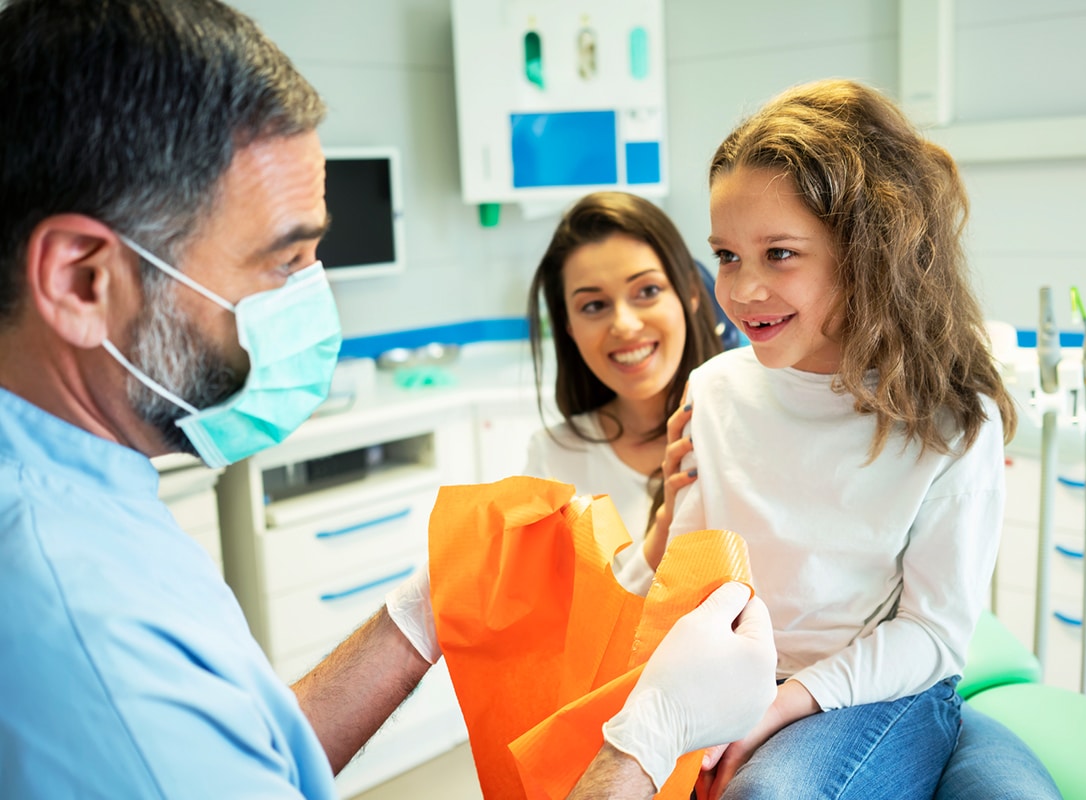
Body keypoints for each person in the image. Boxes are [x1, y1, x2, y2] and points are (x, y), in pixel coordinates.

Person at [0, 1, 777, 797]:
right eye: (282, 262)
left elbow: (254, 756)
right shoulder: (81, 622)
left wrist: (424, 610)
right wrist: (646, 740)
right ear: (81, 281)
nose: (316, 301)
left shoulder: (92, 500)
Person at [523, 175, 1061, 799]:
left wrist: (773, 708)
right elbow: (623, 617)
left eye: (779, 253)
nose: (743, 289)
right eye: (726, 255)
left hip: (873, 686)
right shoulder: (707, 396)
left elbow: (931, 633)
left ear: (864, 253)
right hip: (753, 679)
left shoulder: (946, 418)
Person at [524, 191, 723, 581]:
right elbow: (552, 616)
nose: (625, 325)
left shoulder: (748, 429)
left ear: (690, 293)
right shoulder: (554, 461)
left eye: (647, 291)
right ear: (569, 327)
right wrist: (656, 545)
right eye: (594, 305)